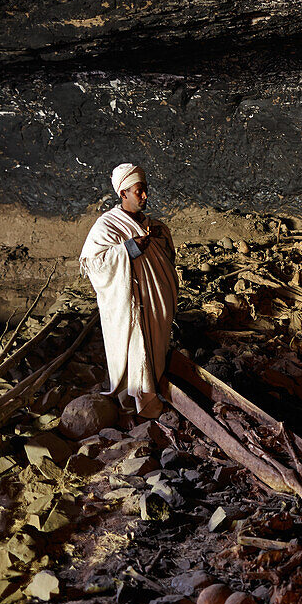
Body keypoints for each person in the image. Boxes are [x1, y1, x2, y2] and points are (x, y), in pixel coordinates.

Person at [80, 163, 178, 419]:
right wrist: (128, 249)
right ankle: (132, 404)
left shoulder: (151, 225)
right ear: (123, 193)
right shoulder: (107, 226)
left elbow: (167, 257)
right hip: (128, 306)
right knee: (133, 351)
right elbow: (94, 264)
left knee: (154, 352)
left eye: (145, 190)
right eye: (139, 191)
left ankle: (153, 389)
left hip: (153, 304)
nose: (144, 196)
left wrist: (160, 236)